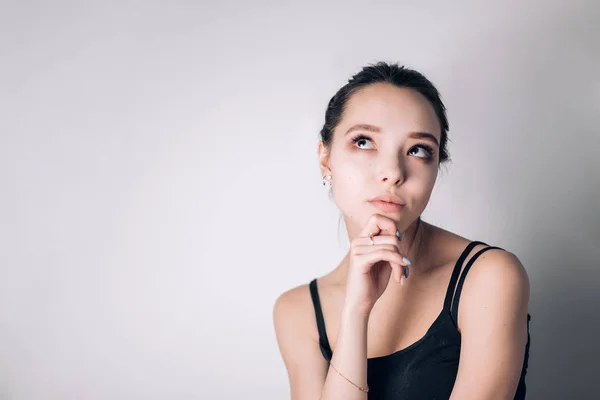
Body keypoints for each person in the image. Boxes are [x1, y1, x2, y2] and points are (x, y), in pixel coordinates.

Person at [272, 61, 531, 399]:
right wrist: (356, 312)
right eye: (364, 141)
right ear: (326, 159)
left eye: (418, 150)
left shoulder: (489, 277)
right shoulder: (299, 311)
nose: (393, 171)